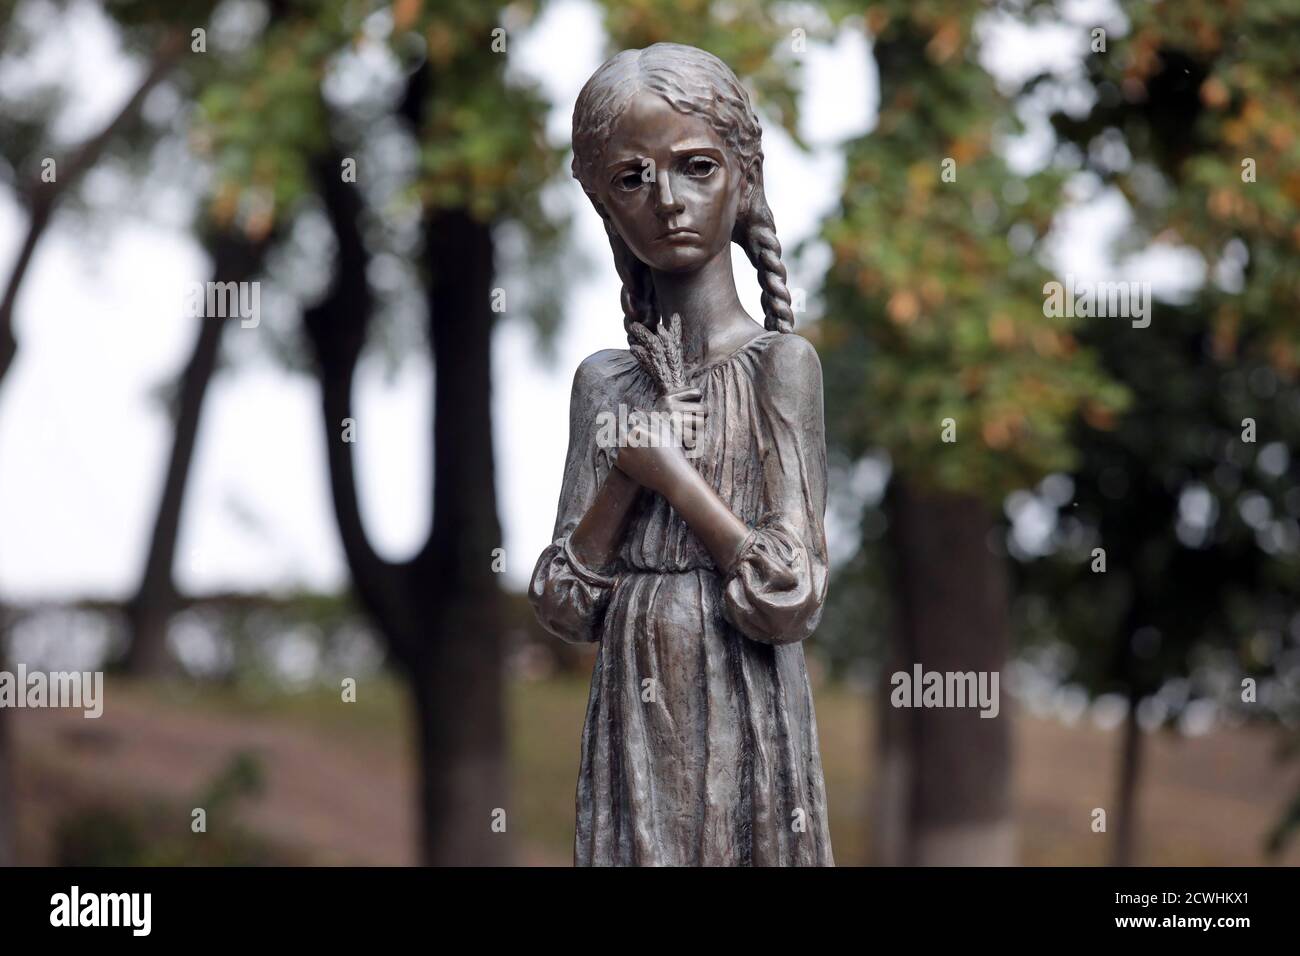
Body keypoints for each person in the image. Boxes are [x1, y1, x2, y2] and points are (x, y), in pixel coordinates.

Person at [530, 42, 833, 866]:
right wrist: (621, 486)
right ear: (604, 207)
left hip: (745, 702)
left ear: (743, 178)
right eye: (632, 179)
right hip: (633, 704)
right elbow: (564, 605)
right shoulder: (603, 385)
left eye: (695, 166)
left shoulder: (781, 366)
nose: (667, 201)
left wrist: (672, 479)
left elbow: (791, 596)